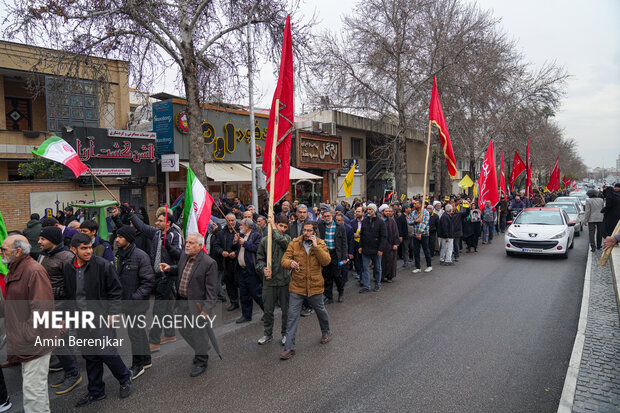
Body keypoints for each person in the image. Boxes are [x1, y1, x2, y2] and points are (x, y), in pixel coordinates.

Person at [63, 233, 132, 407]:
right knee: (90, 356)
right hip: (81, 319)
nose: (88, 251)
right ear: (73, 250)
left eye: (89, 247)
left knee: (106, 351)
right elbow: (68, 294)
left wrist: (113, 312)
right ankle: (96, 391)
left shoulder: (102, 265)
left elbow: (116, 290)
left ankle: (125, 378)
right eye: (83, 248)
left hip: (101, 317)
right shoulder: (68, 267)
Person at [1, 235, 59, 413]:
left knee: (34, 393)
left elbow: (41, 310)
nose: (1, 252)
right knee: (34, 390)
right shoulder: (15, 268)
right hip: (26, 340)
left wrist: (26, 335)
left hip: (35, 342)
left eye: (4, 249)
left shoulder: (33, 271)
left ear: (18, 251)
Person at [159, 233, 218, 377]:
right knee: (184, 330)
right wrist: (169, 268)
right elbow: (181, 270)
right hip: (183, 302)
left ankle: (201, 361)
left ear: (199, 246)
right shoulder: (184, 256)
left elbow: (212, 291)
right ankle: (201, 348)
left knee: (198, 333)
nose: (187, 245)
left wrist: (206, 310)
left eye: (191, 243)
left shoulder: (208, 263)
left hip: (197, 306)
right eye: (187, 242)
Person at [127, 209, 182, 351]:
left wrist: (168, 244)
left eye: (160, 221)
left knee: (158, 309)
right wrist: (130, 213)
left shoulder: (174, 235)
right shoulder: (156, 233)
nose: (156, 223)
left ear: (168, 222)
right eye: (156, 220)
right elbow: (142, 227)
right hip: (156, 275)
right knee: (167, 307)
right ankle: (170, 334)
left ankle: (154, 341)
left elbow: (179, 255)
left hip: (167, 275)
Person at [37, 226, 82, 395]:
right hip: (50, 306)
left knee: (61, 341)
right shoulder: (46, 255)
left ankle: (73, 374)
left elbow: (74, 288)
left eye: (43, 239)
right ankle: (69, 371)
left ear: (53, 240)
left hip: (63, 308)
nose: (39, 241)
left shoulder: (67, 257)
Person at [280, 221, 332, 360]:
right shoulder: (295, 243)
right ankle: (289, 347)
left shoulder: (320, 243)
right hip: (297, 286)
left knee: (320, 310)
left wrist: (315, 247)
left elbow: (326, 261)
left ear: (314, 232)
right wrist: (290, 263)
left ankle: (326, 332)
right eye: (305, 230)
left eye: (309, 231)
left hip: (315, 286)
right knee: (292, 316)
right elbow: (284, 259)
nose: (306, 233)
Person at [114, 226, 155, 380]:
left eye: (120, 237)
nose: (117, 239)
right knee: (138, 332)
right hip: (126, 302)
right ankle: (146, 360)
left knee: (135, 334)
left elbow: (148, 281)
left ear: (129, 239)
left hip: (136, 304)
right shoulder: (120, 254)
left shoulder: (140, 256)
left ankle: (137, 365)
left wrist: (134, 298)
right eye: (117, 236)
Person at [256, 215, 291, 345]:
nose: (282, 229)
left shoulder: (287, 239)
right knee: (268, 310)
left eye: (285, 227)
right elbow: (259, 259)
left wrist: (274, 228)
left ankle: (285, 334)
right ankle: (268, 334)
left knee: (286, 310)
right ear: (276, 224)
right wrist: (263, 268)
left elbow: (283, 242)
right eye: (280, 226)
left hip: (284, 281)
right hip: (269, 281)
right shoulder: (265, 241)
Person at [234, 218, 264, 324]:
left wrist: (245, 243)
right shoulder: (240, 235)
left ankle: (267, 311)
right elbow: (238, 250)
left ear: (247, 227)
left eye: (241, 225)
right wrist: (235, 242)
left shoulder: (256, 235)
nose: (239, 226)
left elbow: (257, 249)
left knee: (256, 293)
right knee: (244, 294)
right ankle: (246, 315)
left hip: (251, 270)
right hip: (241, 270)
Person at [317, 209, 348, 303]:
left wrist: (344, 257)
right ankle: (329, 296)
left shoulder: (340, 227)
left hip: (336, 254)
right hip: (325, 254)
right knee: (326, 276)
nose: (326, 218)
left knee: (337, 275)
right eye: (324, 216)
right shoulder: (321, 226)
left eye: (328, 216)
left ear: (332, 216)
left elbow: (344, 243)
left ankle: (340, 292)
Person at [213, 214, 241, 311]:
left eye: (232, 220)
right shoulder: (222, 233)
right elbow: (216, 246)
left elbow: (244, 246)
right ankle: (234, 302)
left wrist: (236, 253)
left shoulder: (240, 231)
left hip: (238, 262)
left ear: (235, 220)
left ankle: (245, 302)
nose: (231, 222)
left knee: (240, 283)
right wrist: (222, 252)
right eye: (228, 220)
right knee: (229, 284)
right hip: (227, 262)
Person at [358, 203, 387, 292]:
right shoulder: (365, 221)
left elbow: (384, 236)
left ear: (374, 210)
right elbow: (362, 235)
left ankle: (378, 284)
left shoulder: (380, 222)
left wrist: (381, 249)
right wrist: (360, 246)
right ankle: (367, 286)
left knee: (377, 268)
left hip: (376, 249)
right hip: (366, 249)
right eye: (368, 209)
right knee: (365, 268)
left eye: (371, 209)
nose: (369, 211)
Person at [410, 200, 432, 273]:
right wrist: (416, 221)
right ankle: (418, 267)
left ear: (420, 205)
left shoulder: (425, 212)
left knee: (426, 250)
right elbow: (410, 222)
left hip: (424, 234)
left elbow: (424, 223)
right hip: (415, 234)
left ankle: (429, 265)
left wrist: (420, 232)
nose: (414, 205)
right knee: (416, 251)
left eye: (416, 204)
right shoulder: (413, 213)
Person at [379, 205, 399, 283]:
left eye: (389, 211)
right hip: (380, 245)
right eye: (386, 211)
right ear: (382, 212)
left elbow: (395, 233)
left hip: (390, 244)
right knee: (380, 262)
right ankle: (380, 276)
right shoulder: (378, 221)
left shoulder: (392, 221)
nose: (388, 213)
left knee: (390, 261)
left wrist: (395, 244)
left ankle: (389, 276)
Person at [335, 212, 355, 284]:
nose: (337, 222)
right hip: (337, 250)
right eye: (336, 220)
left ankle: (344, 280)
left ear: (343, 221)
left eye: (339, 220)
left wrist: (350, 252)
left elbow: (351, 241)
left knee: (344, 266)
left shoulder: (349, 229)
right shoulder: (334, 227)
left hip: (345, 251)